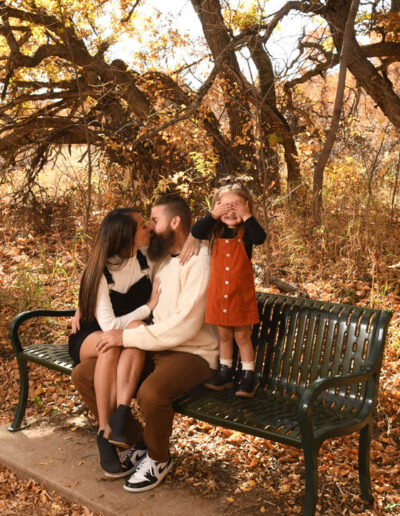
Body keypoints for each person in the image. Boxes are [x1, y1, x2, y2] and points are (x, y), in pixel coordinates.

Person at [71, 193, 218, 493]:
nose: (150, 227)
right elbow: (112, 264)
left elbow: (184, 327)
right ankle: (131, 438)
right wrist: (82, 306)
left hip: (193, 351)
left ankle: (157, 457)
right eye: (147, 222)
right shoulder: (159, 255)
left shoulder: (200, 261)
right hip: (158, 343)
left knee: (151, 393)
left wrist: (125, 336)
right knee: (85, 374)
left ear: (175, 222)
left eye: (155, 220)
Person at [68, 207, 161, 477]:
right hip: (91, 334)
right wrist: (148, 307)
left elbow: (181, 236)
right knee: (112, 343)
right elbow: (107, 326)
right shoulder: (99, 272)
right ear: (126, 236)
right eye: (143, 226)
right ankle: (105, 431)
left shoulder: (145, 256)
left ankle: (118, 417)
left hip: (125, 333)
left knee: (132, 329)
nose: (149, 229)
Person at [191, 182, 266, 397]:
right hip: (218, 295)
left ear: (246, 206)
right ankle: (225, 373)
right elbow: (196, 231)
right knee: (224, 335)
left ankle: (248, 376)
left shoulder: (247, 234)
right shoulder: (215, 231)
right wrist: (214, 214)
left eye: (237, 206)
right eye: (225, 206)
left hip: (239, 296)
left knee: (242, 336)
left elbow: (261, 237)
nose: (230, 211)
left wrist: (247, 215)